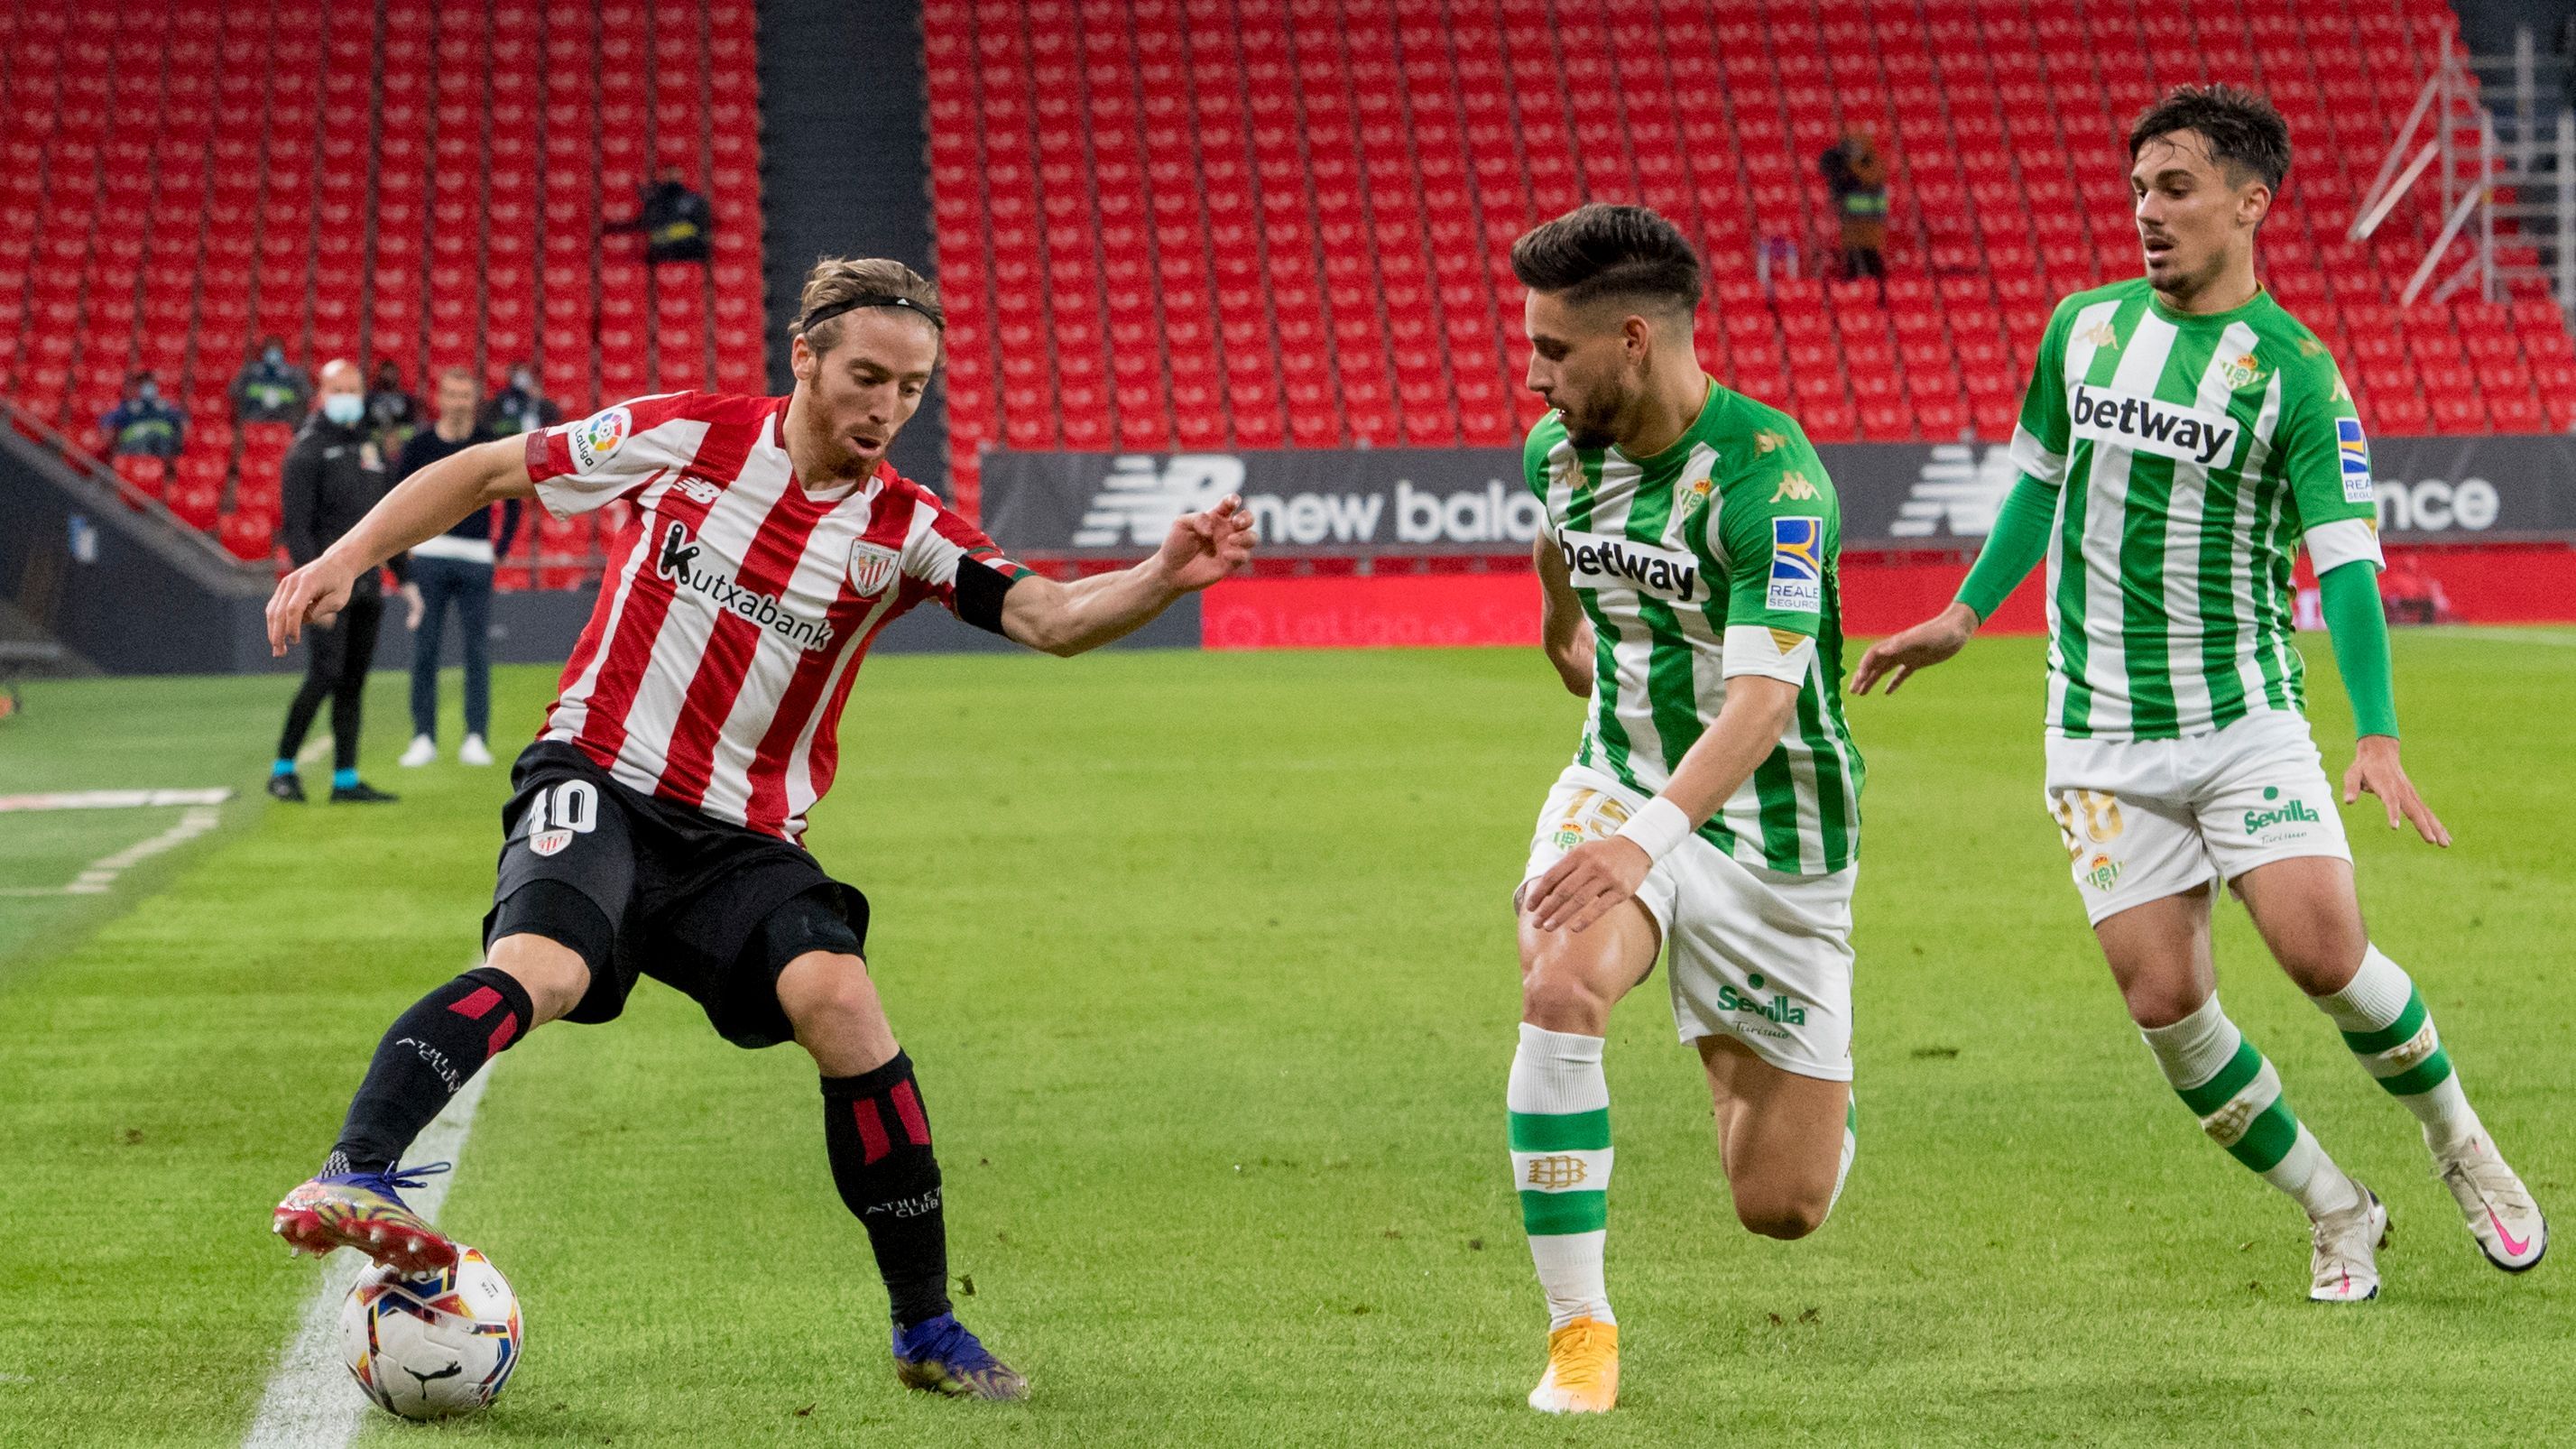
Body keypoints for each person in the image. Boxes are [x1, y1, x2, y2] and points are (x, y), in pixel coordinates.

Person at [261, 256, 1255, 1401]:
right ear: (805, 359)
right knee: (547, 965)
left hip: (741, 838)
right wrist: (345, 558)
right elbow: (488, 469)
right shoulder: (686, 437)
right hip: (600, 774)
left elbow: (1052, 614)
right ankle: (356, 1169)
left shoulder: (905, 527)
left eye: (912, 388)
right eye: (867, 376)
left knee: (842, 1001)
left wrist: (1162, 574)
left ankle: (926, 1327)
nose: (886, 407)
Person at [1853, 85, 2544, 1303]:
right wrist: (1964, 610)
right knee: (2165, 1001)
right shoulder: (2079, 330)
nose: (2146, 212)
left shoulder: (2297, 375)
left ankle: (2456, 1138)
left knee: (2321, 952)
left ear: (2247, 203)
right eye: (2137, 190)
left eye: (2173, 188)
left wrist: (2375, 731)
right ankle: (2334, 1207)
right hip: (2094, 731)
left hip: (2240, 720)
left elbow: (2342, 561)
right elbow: (2036, 483)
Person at [1501, 205, 1864, 1415]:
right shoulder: (1557, 452)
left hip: (1775, 828)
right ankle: (1578, 1334)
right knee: (1560, 979)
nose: (1534, 376)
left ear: (1634, 341)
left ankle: (1807, 1097)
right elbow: (1558, 544)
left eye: (1553, 350)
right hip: (1617, 775)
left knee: (1780, 1204)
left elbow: (1764, 702)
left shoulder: (1772, 482)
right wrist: (1558, 630)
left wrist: (1644, 841)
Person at [270, 360, 420, 805]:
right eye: (338, 390)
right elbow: (297, 529)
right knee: (323, 675)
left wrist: (406, 579)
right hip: (327, 590)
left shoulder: (369, 447)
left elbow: (384, 523)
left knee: (353, 681)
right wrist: (312, 591)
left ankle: (345, 778)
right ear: (321, 394)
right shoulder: (307, 451)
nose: (347, 397)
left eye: (353, 389)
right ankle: (283, 770)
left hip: (367, 585)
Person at [397, 367, 517, 770]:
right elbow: (395, 498)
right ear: (440, 398)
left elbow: (515, 500)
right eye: (452, 394)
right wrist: (405, 548)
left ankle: (475, 737)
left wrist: (500, 550)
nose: (458, 403)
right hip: (428, 557)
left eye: (465, 395)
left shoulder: (490, 444)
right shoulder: (419, 445)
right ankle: (423, 738)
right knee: (425, 650)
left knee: (477, 652)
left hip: (476, 559)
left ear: (475, 400)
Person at [1820, 129, 1888, 283]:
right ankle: (1855, 286)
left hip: (1869, 217)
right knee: (1854, 253)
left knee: (1869, 253)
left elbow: (1870, 179)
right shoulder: (1846, 166)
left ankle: (1876, 285)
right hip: (1854, 217)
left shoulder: (1872, 164)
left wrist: (1851, 167)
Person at [608, 164, 715, 264]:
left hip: (691, 252)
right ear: (663, 177)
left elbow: (702, 227)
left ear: (682, 176)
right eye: (669, 174)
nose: (672, 178)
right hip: (663, 253)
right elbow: (647, 225)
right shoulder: (655, 202)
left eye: (675, 174)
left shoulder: (695, 200)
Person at [98, 372, 185, 460]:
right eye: (144, 385)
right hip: (136, 442)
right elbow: (107, 423)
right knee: (140, 448)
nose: (148, 388)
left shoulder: (165, 406)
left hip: (162, 443)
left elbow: (183, 422)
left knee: (167, 445)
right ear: (137, 387)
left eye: (151, 385)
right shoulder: (127, 407)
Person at [233, 337, 313, 424]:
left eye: (277, 350)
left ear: (283, 352)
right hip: (256, 417)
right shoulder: (250, 371)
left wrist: (284, 395)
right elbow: (234, 390)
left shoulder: (295, 373)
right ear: (263, 352)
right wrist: (258, 393)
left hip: (287, 418)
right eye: (269, 349)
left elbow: (307, 394)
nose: (273, 353)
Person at [480, 359, 560, 437]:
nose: (522, 377)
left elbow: (553, 417)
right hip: (509, 438)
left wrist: (539, 400)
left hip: (534, 439)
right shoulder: (503, 398)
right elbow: (490, 422)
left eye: (524, 373)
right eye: (518, 373)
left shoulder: (537, 400)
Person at [365, 357, 421, 451]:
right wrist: (384, 435)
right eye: (386, 372)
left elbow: (412, 424)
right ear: (379, 374)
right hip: (377, 436)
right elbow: (366, 424)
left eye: (391, 372)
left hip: (401, 437)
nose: (388, 376)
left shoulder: (406, 399)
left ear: (397, 375)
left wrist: (396, 434)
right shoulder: (370, 399)